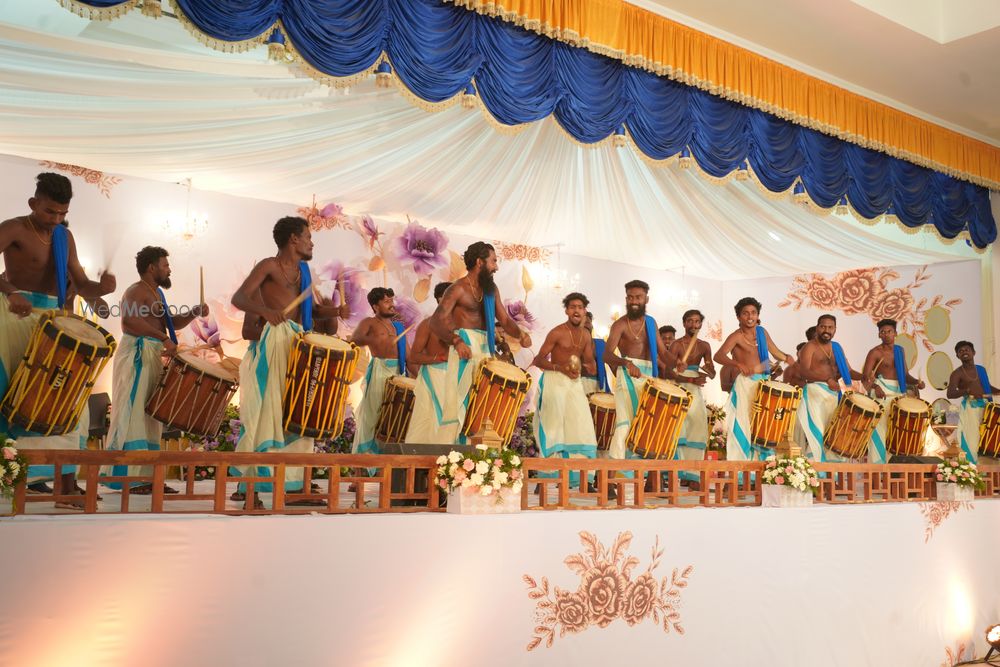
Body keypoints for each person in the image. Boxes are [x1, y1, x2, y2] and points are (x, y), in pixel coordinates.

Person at [0, 173, 116, 508]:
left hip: (56, 322)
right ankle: (12, 479)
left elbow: (80, 283)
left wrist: (102, 287)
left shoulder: (65, 236)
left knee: (69, 402)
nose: (56, 219)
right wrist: (10, 292)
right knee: (15, 397)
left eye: (62, 213)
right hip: (15, 317)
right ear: (33, 203)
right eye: (50, 212)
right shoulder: (14, 228)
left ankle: (66, 487)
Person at [229, 216, 339, 507]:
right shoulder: (268, 265)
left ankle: (291, 486)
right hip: (275, 343)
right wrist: (264, 312)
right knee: (271, 412)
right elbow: (239, 298)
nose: (311, 242)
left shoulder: (304, 271)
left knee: (297, 414)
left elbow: (313, 311)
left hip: (298, 343)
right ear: (294, 239)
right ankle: (258, 487)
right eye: (308, 236)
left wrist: (337, 310)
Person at [102, 246, 207, 493]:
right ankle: (132, 478)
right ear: (152, 267)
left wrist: (194, 312)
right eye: (165, 265)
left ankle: (148, 477)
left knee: (151, 417)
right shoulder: (136, 291)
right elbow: (129, 321)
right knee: (135, 414)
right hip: (137, 355)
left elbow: (169, 322)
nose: (169, 269)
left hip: (151, 355)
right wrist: (162, 338)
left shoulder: (156, 293)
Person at [429, 242, 531, 444]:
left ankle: (480, 452)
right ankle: (454, 454)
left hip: (485, 348)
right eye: (493, 261)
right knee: (460, 402)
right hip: (464, 347)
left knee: (483, 400)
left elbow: (504, 320)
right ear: (479, 262)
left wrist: (520, 334)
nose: (496, 267)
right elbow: (435, 322)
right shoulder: (457, 289)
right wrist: (456, 341)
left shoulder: (491, 289)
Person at [530, 293, 598, 488]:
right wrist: (560, 368)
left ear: (585, 311)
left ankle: (579, 477)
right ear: (567, 311)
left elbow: (588, 361)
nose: (577, 310)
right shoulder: (557, 332)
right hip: (554, 379)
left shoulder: (585, 335)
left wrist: (590, 366)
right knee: (554, 429)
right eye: (573, 307)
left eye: (580, 307)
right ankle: (546, 478)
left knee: (581, 427)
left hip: (574, 384)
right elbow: (539, 360)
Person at [713, 298, 791, 461]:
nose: (750, 316)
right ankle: (740, 472)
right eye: (745, 313)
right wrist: (737, 364)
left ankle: (760, 467)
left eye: (753, 313)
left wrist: (786, 357)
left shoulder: (762, 333)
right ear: (739, 317)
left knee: (762, 424)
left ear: (758, 315)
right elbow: (718, 356)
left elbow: (775, 352)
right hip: (745, 385)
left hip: (764, 384)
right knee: (744, 423)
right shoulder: (736, 336)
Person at [602, 280, 671, 460]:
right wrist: (625, 363)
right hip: (626, 377)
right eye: (630, 297)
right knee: (624, 424)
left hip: (648, 378)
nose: (634, 301)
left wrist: (677, 363)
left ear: (646, 299)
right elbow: (606, 355)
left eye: (638, 297)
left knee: (648, 425)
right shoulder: (620, 325)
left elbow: (663, 352)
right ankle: (611, 477)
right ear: (626, 298)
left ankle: (647, 478)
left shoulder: (651, 322)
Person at [797, 314, 863, 461]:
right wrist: (827, 379)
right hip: (815, 393)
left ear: (835, 329)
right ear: (817, 327)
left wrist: (864, 377)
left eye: (830, 327)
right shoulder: (810, 347)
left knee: (831, 433)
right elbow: (804, 371)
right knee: (817, 433)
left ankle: (829, 473)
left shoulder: (837, 348)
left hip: (833, 394)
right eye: (823, 326)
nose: (826, 330)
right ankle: (815, 470)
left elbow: (848, 371)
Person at [351, 287, 407, 454]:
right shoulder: (369, 322)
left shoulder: (398, 326)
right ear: (375, 306)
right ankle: (359, 471)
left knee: (390, 422)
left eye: (391, 301)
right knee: (371, 418)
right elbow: (355, 339)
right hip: (379, 370)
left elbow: (409, 355)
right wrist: (377, 340)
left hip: (398, 373)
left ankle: (384, 469)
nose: (391, 305)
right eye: (386, 301)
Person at [862, 319, 924, 463]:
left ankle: (892, 471)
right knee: (879, 431)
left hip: (898, 396)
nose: (886, 334)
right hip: (881, 395)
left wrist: (916, 383)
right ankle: (877, 472)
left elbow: (905, 375)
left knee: (895, 432)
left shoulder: (900, 350)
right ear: (879, 335)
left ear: (895, 333)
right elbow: (865, 378)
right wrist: (875, 387)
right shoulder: (875, 352)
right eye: (882, 332)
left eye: (889, 331)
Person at [404, 282, 457, 444]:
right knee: (429, 420)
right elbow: (413, 357)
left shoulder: (462, 324)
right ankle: (420, 464)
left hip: (456, 377)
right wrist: (439, 359)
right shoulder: (427, 324)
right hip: (434, 375)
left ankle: (451, 465)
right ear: (440, 299)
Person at [668, 309, 716, 481]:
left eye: (697, 321)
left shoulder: (704, 346)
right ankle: (676, 473)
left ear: (701, 324)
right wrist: (683, 375)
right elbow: (668, 371)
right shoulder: (676, 345)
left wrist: (708, 371)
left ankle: (693, 475)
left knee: (697, 427)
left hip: (695, 389)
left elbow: (712, 373)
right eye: (690, 321)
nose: (693, 325)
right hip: (678, 387)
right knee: (679, 429)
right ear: (684, 323)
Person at [946, 341, 999, 463]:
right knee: (972, 441)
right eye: (960, 351)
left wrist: (998, 391)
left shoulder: (981, 370)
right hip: (970, 409)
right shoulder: (956, 373)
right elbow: (950, 393)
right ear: (957, 356)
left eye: (967, 349)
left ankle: (985, 471)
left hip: (986, 408)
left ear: (973, 352)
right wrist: (966, 391)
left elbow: (987, 387)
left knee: (987, 439)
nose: (964, 352)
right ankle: (971, 470)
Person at [581, 310, 612, 397]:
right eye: (583, 321)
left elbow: (615, 368)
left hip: (598, 389)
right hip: (576, 388)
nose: (586, 323)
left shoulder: (601, 344)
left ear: (592, 326)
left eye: (588, 321)